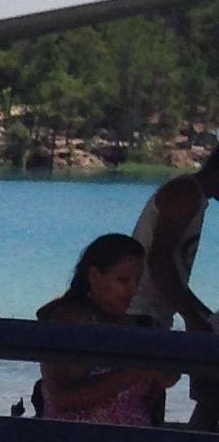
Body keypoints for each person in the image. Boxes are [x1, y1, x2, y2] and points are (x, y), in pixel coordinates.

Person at [129, 135, 219, 426]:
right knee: (141, 413)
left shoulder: (195, 198)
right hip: (139, 316)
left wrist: (201, 314)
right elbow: (158, 261)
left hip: (153, 317)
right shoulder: (186, 194)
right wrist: (193, 317)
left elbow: (171, 269)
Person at [36, 237, 175, 425]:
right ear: (94, 276)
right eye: (123, 280)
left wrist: (162, 375)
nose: (133, 290)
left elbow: (155, 390)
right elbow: (62, 398)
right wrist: (134, 372)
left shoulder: (138, 326)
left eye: (137, 281)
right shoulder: (73, 322)